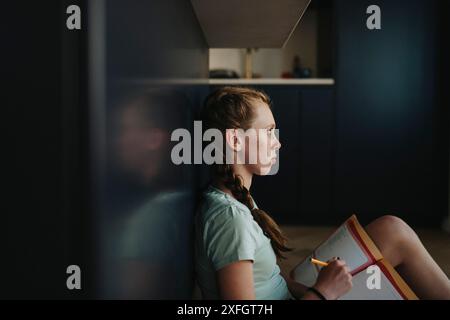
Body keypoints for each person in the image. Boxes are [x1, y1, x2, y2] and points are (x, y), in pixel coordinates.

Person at [194, 86, 450, 300]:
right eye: (269, 131)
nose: (277, 142)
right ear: (235, 141)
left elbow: (268, 276)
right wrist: (322, 291)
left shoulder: (234, 198)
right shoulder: (231, 220)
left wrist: (304, 289)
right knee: (395, 237)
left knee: (391, 230)